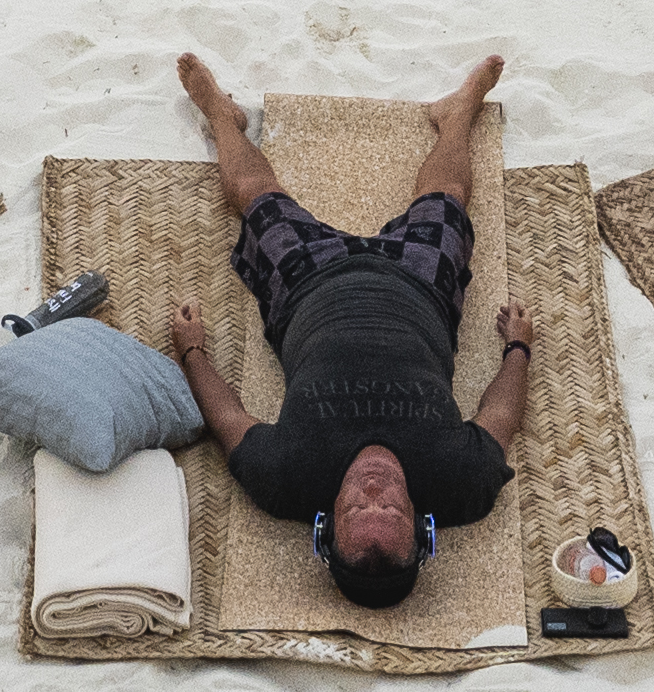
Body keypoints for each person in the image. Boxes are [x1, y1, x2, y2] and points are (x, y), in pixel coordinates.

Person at [157, 49, 532, 611]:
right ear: (423, 528)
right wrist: (518, 349)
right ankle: (459, 115)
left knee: (257, 198)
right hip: (420, 290)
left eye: (359, 509)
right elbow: (499, 416)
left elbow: (229, 419)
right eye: (394, 511)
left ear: (325, 525)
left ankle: (220, 116)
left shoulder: (286, 481)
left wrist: (193, 354)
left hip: (306, 290)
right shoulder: (459, 484)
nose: (376, 490)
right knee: (448, 205)